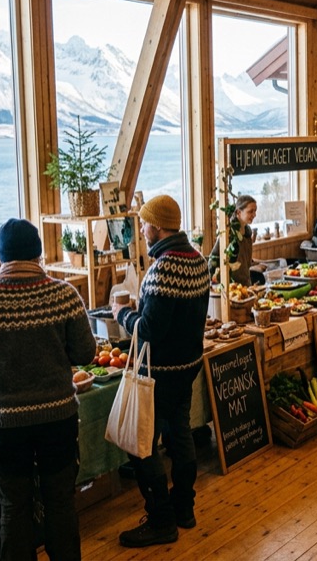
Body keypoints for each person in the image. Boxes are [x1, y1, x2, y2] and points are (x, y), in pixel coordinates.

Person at [0, 218, 95, 561]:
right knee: (60, 503)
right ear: (39, 252)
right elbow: (85, 353)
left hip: (4, 423)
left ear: (0, 253)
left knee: (13, 507)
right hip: (57, 416)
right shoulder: (64, 294)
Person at [112, 195, 211, 547]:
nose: (141, 228)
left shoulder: (163, 268)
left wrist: (120, 312)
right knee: (180, 434)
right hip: (188, 365)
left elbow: (149, 330)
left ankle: (160, 520)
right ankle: (184, 508)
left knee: (141, 445)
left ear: (156, 226)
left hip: (160, 372)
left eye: (144, 223)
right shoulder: (198, 260)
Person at [208, 194, 257, 285]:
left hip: (246, 284)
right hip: (230, 287)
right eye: (250, 211)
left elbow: (244, 261)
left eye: (255, 211)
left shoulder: (247, 233)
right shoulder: (228, 233)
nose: (254, 215)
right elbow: (213, 259)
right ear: (238, 212)